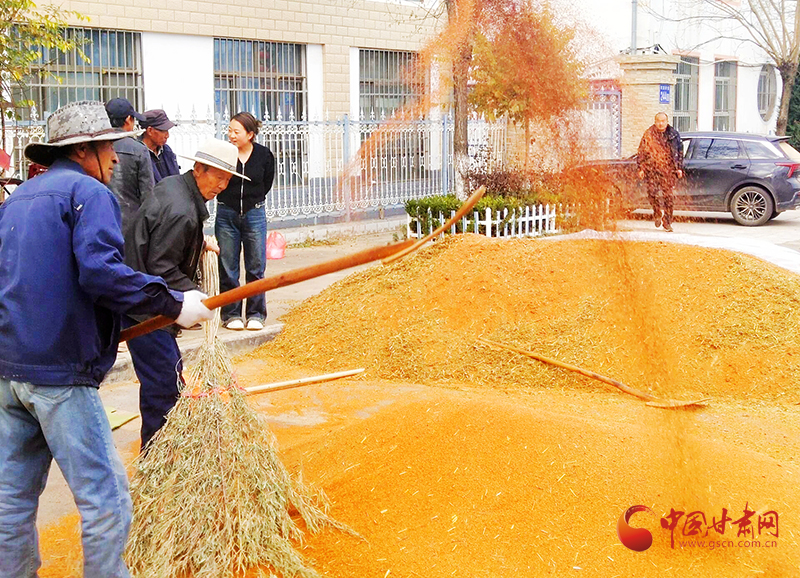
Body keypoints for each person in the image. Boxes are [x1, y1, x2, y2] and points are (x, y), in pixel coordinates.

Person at [0, 100, 214, 578]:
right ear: (83, 152)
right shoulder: (89, 193)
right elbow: (101, 272)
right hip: (60, 372)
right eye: (107, 147)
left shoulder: (17, 199)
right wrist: (172, 303)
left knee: (11, 500)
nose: (116, 157)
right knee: (106, 498)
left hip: (9, 371)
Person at [125, 139, 249, 449]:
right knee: (164, 383)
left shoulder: (174, 187)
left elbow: (163, 238)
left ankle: (162, 449)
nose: (221, 185)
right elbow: (162, 267)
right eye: (217, 176)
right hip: (145, 309)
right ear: (198, 169)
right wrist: (196, 296)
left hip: (143, 299)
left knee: (166, 376)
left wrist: (198, 243)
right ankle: (156, 455)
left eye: (227, 179)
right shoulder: (182, 211)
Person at [215, 111, 275, 331]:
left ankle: (256, 314)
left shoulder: (264, 155)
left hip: (254, 214)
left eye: (236, 131)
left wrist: (251, 201)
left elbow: (266, 183)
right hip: (226, 213)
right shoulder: (224, 153)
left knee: (256, 266)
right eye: (229, 130)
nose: (231, 135)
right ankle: (231, 314)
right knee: (227, 266)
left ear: (250, 134)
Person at [105, 97, 155, 239]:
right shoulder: (139, 149)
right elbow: (148, 196)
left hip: (102, 222)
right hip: (131, 228)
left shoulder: (97, 147)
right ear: (128, 120)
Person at [637, 112, 683, 232]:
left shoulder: (673, 134)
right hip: (652, 169)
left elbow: (679, 152)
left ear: (667, 122)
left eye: (663, 121)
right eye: (658, 121)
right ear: (655, 121)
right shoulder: (649, 134)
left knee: (668, 197)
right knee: (652, 193)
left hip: (668, 170)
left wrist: (679, 167)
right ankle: (657, 212)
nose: (661, 123)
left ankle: (667, 222)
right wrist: (641, 168)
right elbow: (641, 151)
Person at [139, 109, 180, 183]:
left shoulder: (166, 150)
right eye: (163, 131)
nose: (167, 136)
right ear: (150, 131)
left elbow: (176, 179)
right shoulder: (138, 154)